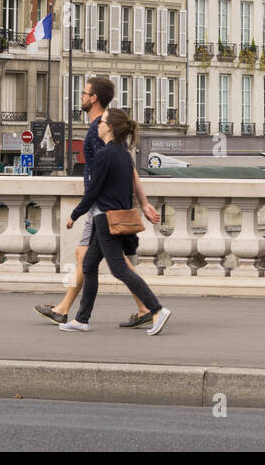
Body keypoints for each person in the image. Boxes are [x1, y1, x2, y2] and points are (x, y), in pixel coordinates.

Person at [35, 77, 161, 329]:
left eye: (84, 93)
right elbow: (128, 168)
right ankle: (74, 313)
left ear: (93, 98)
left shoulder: (99, 129)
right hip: (108, 205)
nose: (80, 97)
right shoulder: (109, 129)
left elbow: (108, 175)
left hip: (101, 207)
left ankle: (148, 307)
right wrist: (142, 203)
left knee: (107, 261)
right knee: (96, 259)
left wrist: (81, 210)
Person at [60, 108, 171, 335]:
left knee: (119, 269)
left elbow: (93, 191)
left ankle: (157, 309)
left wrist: (75, 214)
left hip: (105, 218)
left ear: (109, 127)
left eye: (101, 122)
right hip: (118, 217)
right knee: (90, 265)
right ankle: (81, 319)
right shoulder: (123, 154)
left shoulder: (104, 155)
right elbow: (127, 188)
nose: (98, 125)